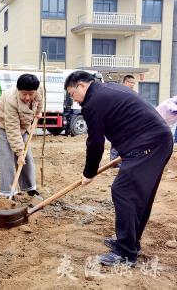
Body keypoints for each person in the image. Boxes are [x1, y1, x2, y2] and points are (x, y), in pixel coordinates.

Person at [64, 71, 173, 267]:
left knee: (123, 191)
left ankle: (125, 253)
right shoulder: (108, 89)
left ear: (81, 86)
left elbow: (95, 142)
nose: (74, 100)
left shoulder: (93, 102)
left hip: (148, 143)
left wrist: (89, 173)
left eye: (72, 94)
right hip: (156, 139)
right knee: (139, 195)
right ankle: (131, 243)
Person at [0, 74, 43, 200]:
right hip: (3, 124)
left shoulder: (39, 91)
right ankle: (7, 193)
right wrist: (19, 153)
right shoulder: (11, 99)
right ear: (18, 90)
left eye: (30, 94)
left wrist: (38, 112)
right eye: (24, 94)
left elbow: (39, 102)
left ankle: (30, 188)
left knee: (28, 157)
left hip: (23, 124)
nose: (27, 97)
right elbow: (12, 128)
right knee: (7, 159)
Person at [109, 74, 136, 166]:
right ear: (125, 82)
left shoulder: (133, 93)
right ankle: (114, 162)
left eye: (134, 83)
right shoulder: (118, 92)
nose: (132, 85)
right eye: (131, 82)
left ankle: (121, 161)